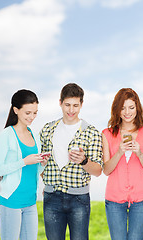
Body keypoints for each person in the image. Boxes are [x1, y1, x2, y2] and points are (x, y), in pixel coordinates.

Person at [40, 83, 103, 240]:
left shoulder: (91, 132)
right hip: (51, 198)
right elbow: (40, 163)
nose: (71, 110)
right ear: (60, 102)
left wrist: (84, 161)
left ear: (81, 104)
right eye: (67, 105)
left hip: (78, 200)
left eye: (75, 105)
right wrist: (48, 182)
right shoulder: (47, 130)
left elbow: (98, 171)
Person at [102, 88, 143, 240]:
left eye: (131, 107)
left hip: (141, 199)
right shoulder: (107, 134)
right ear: (117, 110)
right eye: (122, 107)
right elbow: (106, 170)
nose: (127, 112)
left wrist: (139, 154)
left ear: (137, 109)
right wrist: (119, 152)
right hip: (114, 199)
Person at [0, 89, 48, 240]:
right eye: (28, 113)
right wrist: (24, 161)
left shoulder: (35, 136)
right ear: (16, 110)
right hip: (11, 202)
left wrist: (42, 163)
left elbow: (34, 170)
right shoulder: (7, 134)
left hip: (30, 202)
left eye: (35, 113)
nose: (32, 117)